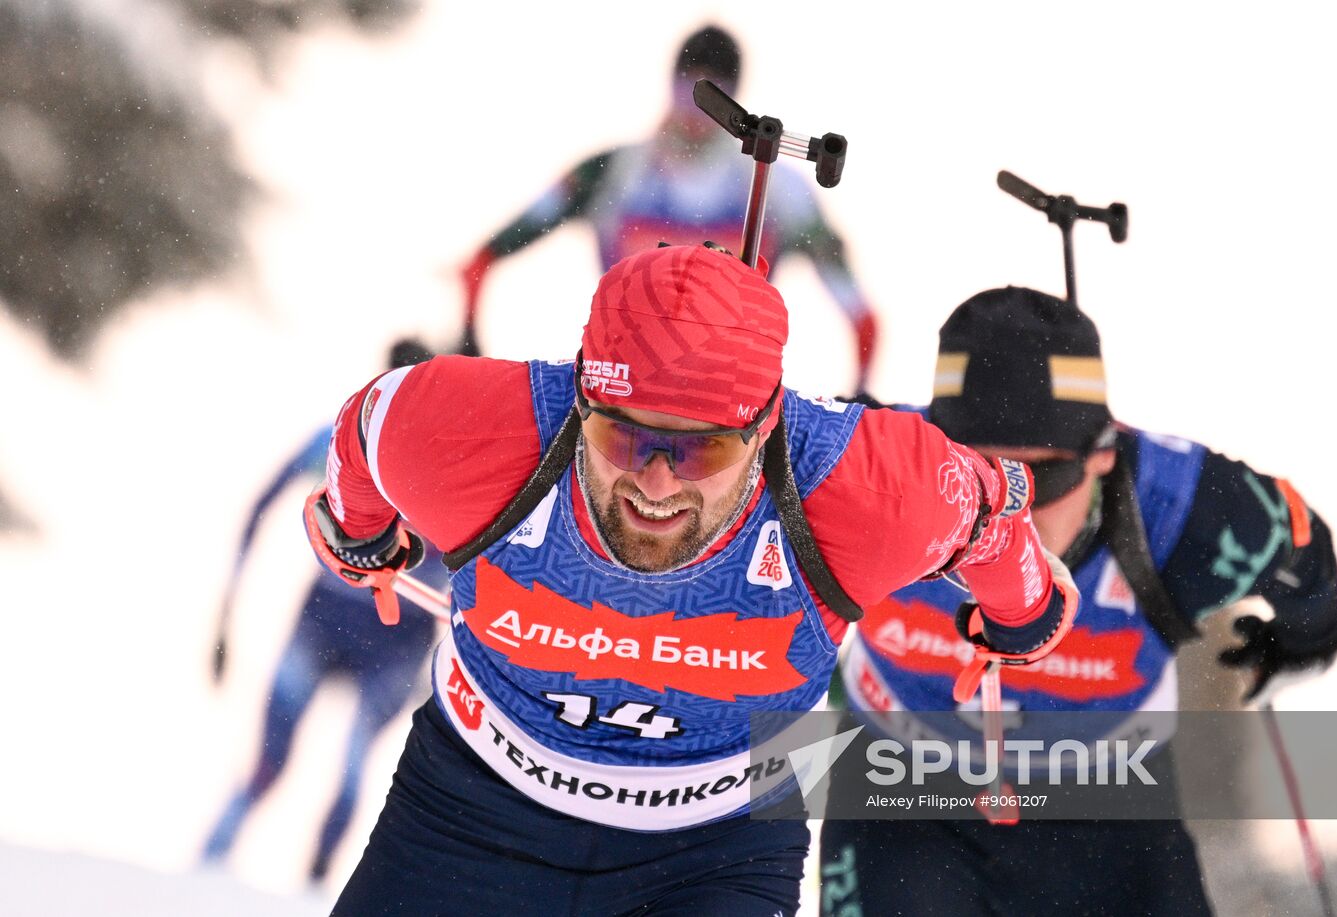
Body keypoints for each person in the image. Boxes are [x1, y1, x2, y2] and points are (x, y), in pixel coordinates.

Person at [304, 244, 1077, 915]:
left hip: (714, 856)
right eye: (621, 436)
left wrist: (1026, 611)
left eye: (700, 452)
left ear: (766, 426)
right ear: (581, 395)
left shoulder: (865, 490)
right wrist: (358, 531)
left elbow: (990, 518)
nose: (655, 484)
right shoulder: (472, 430)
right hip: (467, 816)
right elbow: (363, 427)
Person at [820, 286, 1337, 916]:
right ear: (932, 447)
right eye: (972, 475)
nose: (1008, 512)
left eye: (1040, 479)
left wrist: (1301, 641)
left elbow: (1304, 551)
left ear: (1103, 454)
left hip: (1109, 803)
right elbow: (726, 452)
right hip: (903, 795)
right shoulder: (862, 469)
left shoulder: (1187, 510)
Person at [456, 25, 880, 394]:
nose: (695, 114)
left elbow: (861, 315)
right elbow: (486, 256)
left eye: (713, 96)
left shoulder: (777, 188)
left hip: (729, 402)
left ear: (734, 101)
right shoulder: (612, 173)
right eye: (690, 91)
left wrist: (859, 392)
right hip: (616, 384)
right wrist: (467, 342)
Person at [205, 339, 447, 883]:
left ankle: (297, 878)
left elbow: (260, 508)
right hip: (363, 625)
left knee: (344, 769)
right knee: (298, 762)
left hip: (375, 630)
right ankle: (225, 865)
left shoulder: (345, 441)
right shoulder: (350, 443)